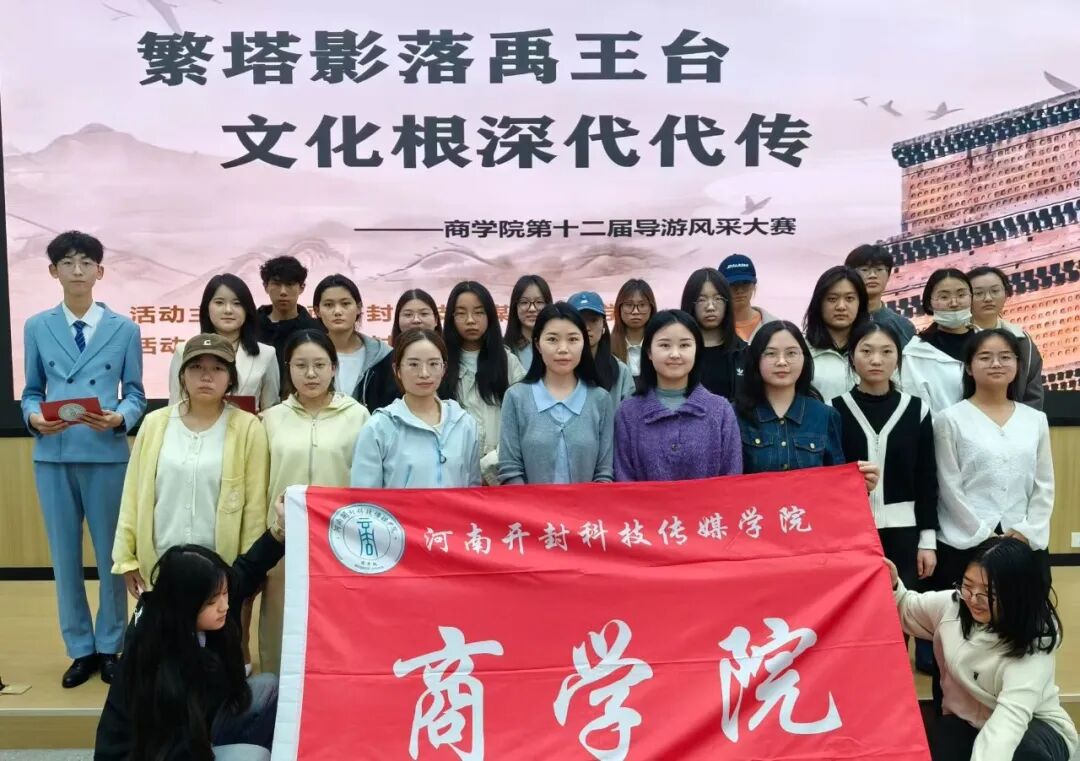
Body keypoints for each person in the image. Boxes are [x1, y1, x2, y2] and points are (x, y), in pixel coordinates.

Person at [21, 231, 147, 687]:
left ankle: (110, 645)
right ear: (53, 271)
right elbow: (31, 391)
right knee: (64, 557)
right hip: (53, 454)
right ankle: (80, 649)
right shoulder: (36, 326)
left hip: (106, 452)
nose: (78, 270)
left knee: (113, 556)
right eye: (68, 262)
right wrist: (34, 418)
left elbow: (135, 394)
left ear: (100, 271)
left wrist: (120, 418)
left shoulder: (124, 329)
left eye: (86, 262)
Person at [95, 502, 288, 761]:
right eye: (212, 601)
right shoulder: (156, 657)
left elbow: (248, 568)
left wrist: (280, 529)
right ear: (185, 606)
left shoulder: (206, 606)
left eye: (225, 593)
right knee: (253, 756)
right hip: (155, 753)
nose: (224, 605)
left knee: (268, 686)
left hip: (197, 730)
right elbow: (168, 746)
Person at [886, 537, 1078, 761]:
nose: (973, 599)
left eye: (988, 592)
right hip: (967, 721)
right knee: (943, 740)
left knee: (1023, 753)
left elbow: (1008, 723)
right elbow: (906, 607)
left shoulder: (1033, 645)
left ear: (1016, 594)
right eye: (967, 584)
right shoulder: (954, 605)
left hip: (1034, 726)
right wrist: (892, 584)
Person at [113, 335, 269, 603]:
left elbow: (255, 507)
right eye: (196, 367)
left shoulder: (247, 427)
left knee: (217, 629)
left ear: (230, 378)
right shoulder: (155, 423)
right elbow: (133, 495)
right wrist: (126, 559)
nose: (206, 376)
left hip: (222, 567)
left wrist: (248, 569)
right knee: (164, 628)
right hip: (160, 563)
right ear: (182, 376)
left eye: (217, 368)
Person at [259, 329, 370, 676]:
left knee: (338, 621)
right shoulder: (271, 419)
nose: (311, 374)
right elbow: (261, 482)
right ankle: (277, 693)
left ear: (334, 368)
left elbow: (366, 484)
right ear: (287, 368)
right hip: (282, 539)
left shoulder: (358, 416)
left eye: (320, 365)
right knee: (281, 619)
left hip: (339, 540)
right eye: (301, 365)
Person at [933, 329, 1055, 590]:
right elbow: (949, 486)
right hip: (965, 540)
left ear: (1018, 365)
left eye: (1005, 357)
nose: (996, 364)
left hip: (1023, 539)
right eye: (985, 357)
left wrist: (1027, 530)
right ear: (969, 367)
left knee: (1024, 611)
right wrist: (982, 533)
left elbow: (1044, 484)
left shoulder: (1035, 420)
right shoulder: (950, 419)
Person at [832, 321, 938, 589]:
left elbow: (926, 479)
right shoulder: (833, 411)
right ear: (851, 356)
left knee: (900, 609)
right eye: (866, 351)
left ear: (898, 358)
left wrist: (927, 541)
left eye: (887, 351)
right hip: (850, 533)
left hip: (904, 533)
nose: (876, 360)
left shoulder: (917, 410)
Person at [734, 321, 879, 492]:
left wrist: (861, 485)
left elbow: (836, 486)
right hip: (755, 509)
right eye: (771, 353)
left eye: (791, 353)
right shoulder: (734, 415)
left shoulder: (825, 415)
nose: (782, 362)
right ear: (755, 359)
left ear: (805, 358)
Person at [615, 310, 742, 481]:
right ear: (649, 352)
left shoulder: (721, 411)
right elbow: (624, 480)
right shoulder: (628, 412)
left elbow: (732, 478)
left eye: (684, 345)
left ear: (697, 351)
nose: (675, 354)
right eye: (665, 345)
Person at [499, 303, 615, 484]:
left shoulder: (600, 400)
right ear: (537, 344)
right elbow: (510, 470)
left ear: (584, 343)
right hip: (527, 503)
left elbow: (604, 472)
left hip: (588, 503)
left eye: (573, 339)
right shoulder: (516, 398)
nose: (563, 349)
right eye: (552, 339)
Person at [351, 329, 481, 488]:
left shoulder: (465, 424)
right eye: (413, 364)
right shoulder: (379, 427)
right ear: (397, 370)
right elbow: (364, 496)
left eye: (433, 364)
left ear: (444, 368)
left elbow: (473, 489)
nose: (424, 373)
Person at [440, 281, 525, 484]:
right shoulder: (439, 363)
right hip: (452, 474)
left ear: (490, 316)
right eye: (461, 313)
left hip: (501, 473)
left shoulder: (508, 362)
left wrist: (489, 465)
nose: (470, 320)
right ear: (451, 318)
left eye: (479, 312)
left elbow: (523, 420)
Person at [169, 274, 280, 412]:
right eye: (219, 302)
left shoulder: (266, 354)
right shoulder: (183, 351)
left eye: (237, 303)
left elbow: (271, 410)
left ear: (247, 310)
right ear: (207, 309)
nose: (228, 310)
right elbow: (175, 406)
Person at [968, 266, 1044, 410]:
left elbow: (1033, 395)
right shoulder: (955, 339)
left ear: (1006, 293)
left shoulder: (1022, 340)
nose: (988, 298)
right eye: (978, 293)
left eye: (995, 291)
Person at [901, 268, 976, 414]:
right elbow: (916, 408)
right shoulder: (915, 354)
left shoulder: (987, 342)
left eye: (961, 295)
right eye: (944, 297)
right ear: (929, 303)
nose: (954, 303)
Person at [356, 289, 442, 412]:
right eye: (408, 315)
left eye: (424, 314)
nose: (416, 320)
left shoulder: (451, 358)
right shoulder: (382, 363)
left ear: (436, 320)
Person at [312, 274, 391, 399]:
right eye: (328, 305)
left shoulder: (382, 355)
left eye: (345, 304)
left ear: (358, 308)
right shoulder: (306, 353)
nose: (337, 311)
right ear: (317, 311)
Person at [255, 255, 324, 387]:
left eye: (290, 284)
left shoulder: (316, 330)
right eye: (276, 284)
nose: (283, 292)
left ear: (302, 287)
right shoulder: (250, 326)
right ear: (265, 286)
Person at [679, 267, 747, 400]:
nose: (710, 307)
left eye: (718, 298)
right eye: (701, 299)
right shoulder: (677, 353)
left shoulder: (743, 353)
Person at [804, 266, 870, 401]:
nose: (841, 306)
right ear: (819, 304)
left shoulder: (875, 350)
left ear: (860, 303)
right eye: (832, 299)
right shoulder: (801, 351)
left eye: (849, 298)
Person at [567, 290, 635, 408]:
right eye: (579, 321)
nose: (587, 327)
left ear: (603, 324)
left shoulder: (621, 372)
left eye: (593, 320)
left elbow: (631, 415)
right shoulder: (558, 368)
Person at [845, 243, 916, 346]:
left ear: (888, 275)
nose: (872, 275)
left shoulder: (904, 326)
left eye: (879, 269)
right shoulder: (842, 322)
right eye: (865, 270)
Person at [718, 253, 780, 342]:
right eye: (732, 284)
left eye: (745, 283)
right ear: (721, 287)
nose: (739, 290)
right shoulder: (712, 329)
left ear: (754, 285)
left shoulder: (776, 327)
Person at [504, 274, 553, 370]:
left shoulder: (558, 346)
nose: (532, 309)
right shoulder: (503, 349)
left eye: (539, 302)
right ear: (515, 307)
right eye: (524, 302)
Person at [610, 278, 657, 377]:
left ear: (651, 308)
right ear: (619, 308)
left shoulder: (661, 345)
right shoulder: (607, 346)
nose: (635, 311)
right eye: (629, 305)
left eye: (642, 305)